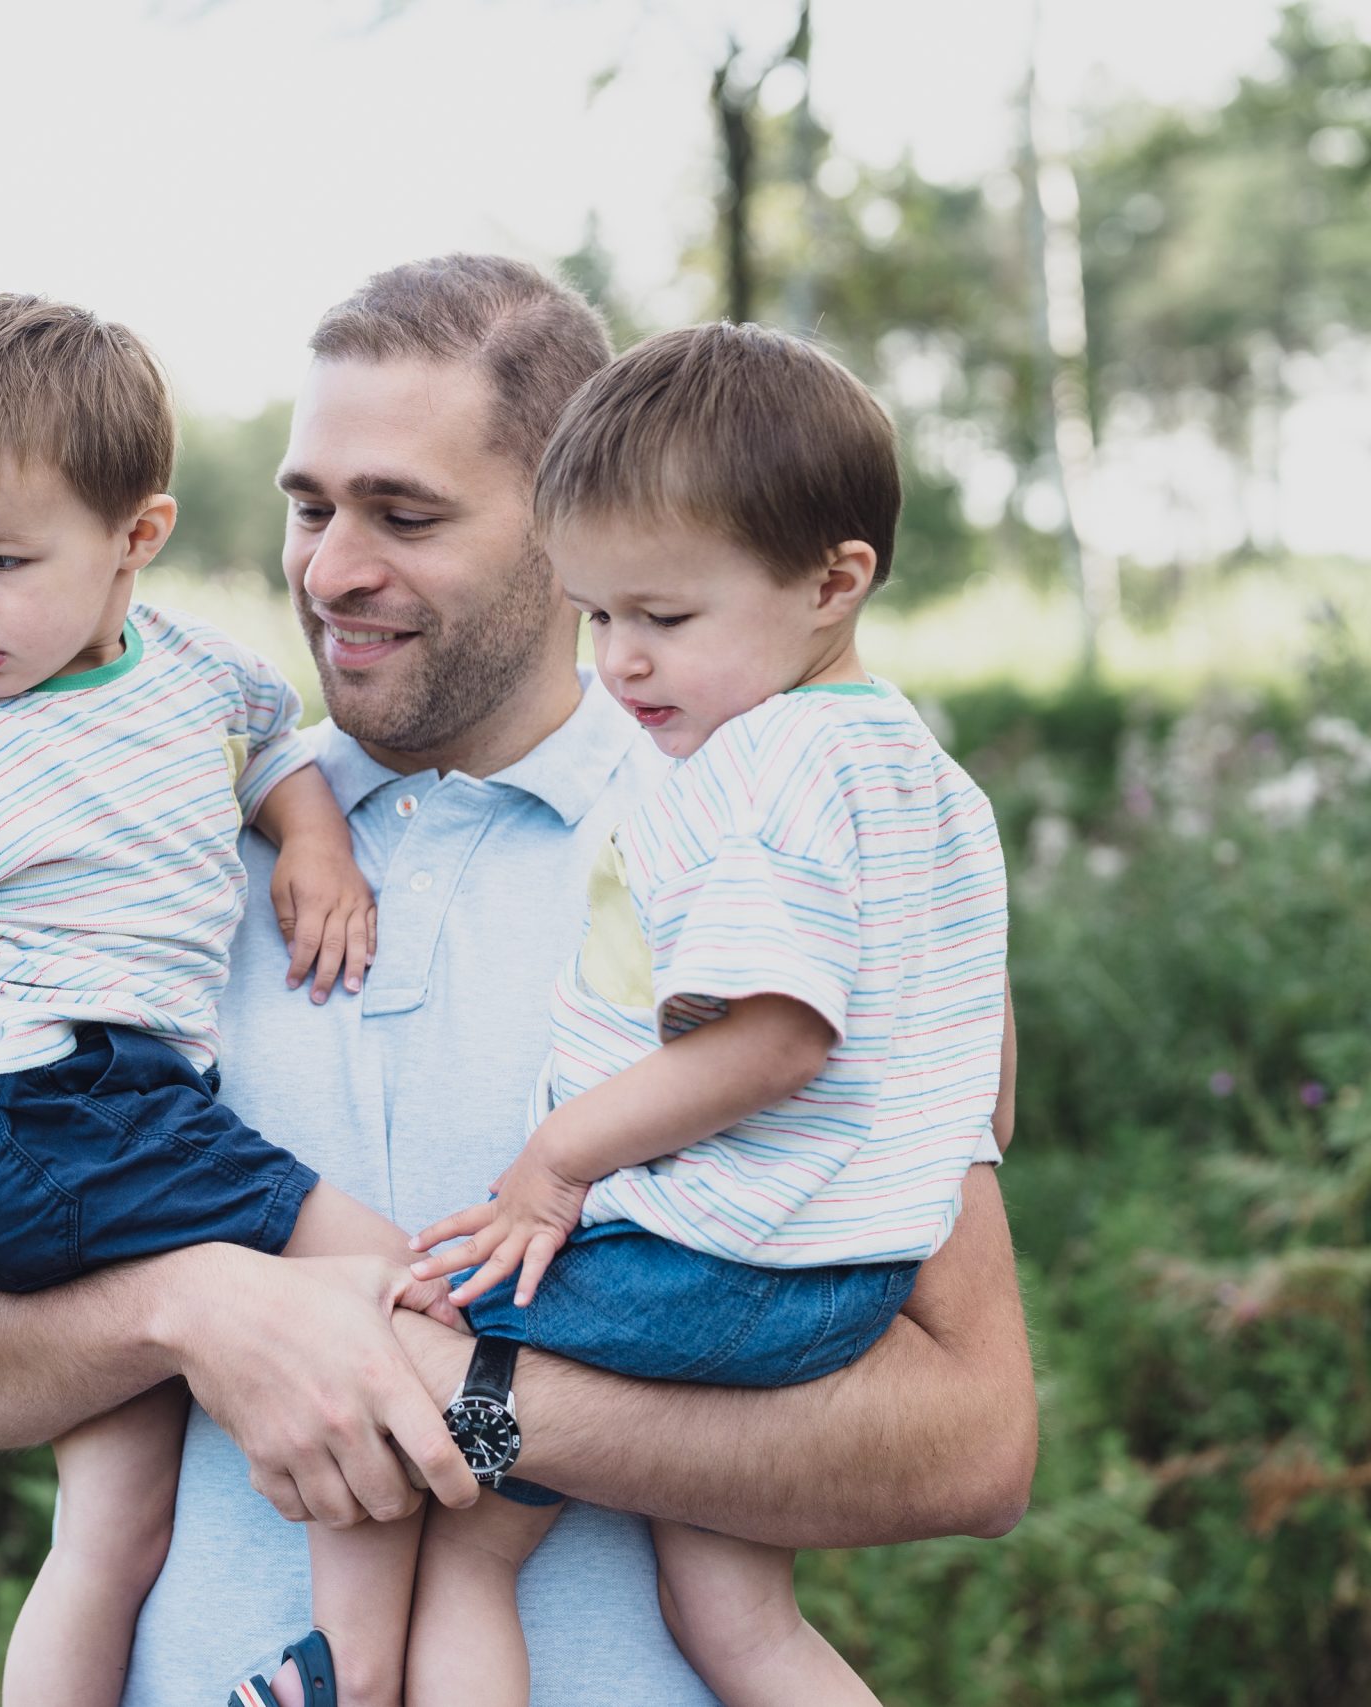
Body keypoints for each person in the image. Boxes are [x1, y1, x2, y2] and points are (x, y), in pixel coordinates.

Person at [0, 254, 1036, 1707]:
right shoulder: (152, 854)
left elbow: (976, 1442)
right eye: (310, 508)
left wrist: (470, 1403)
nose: (330, 567)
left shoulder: (771, 840)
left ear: (568, 529)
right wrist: (193, 1314)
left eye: (403, 516)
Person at [0, 292, 461, 1707]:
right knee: (386, 1289)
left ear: (135, 541)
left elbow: (275, 751)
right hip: (42, 1112)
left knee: (111, 1520)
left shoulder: (198, 676)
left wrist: (318, 840)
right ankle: (354, 1673)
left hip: (118, 1112)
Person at [394, 321, 1010, 1707]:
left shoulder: (767, 764)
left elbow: (782, 1037)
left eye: (665, 619)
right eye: (599, 616)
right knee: (733, 1617)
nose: (620, 664)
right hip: (842, 1265)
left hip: (722, 1261)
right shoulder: (923, 775)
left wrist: (560, 1163)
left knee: (462, 1526)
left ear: (833, 581)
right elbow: (986, 1079)